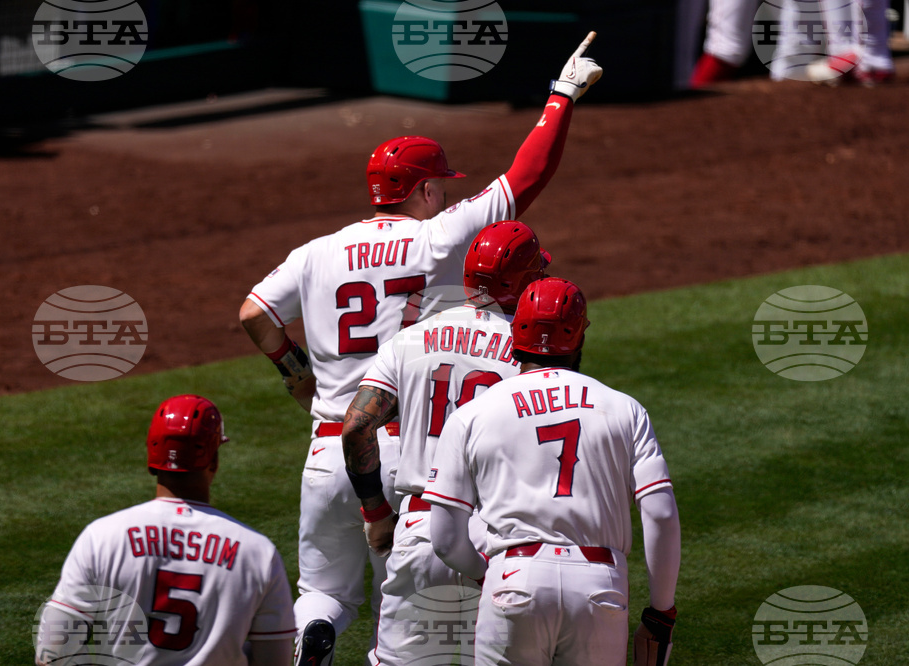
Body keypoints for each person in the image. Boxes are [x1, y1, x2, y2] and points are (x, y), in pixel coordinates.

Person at [238, 33, 602, 665]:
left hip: (330, 447)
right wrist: (562, 95)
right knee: (407, 613)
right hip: (408, 451)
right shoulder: (439, 239)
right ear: (427, 190)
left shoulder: (317, 251)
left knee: (322, 591)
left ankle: (314, 635)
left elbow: (254, 314)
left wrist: (296, 377)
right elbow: (527, 176)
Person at [425, 278, 681, 666]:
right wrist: (661, 613)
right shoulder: (624, 408)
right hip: (601, 589)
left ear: (514, 338)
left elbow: (444, 538)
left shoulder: (472, 414)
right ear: (579, 337)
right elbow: (660, 513)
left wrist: (487, 574)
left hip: (514, 580)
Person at [342, 221, 551, 665]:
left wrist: (376, 512)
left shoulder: (410, 339)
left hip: (421, 530)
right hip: (499, 541)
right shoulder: (529, 351)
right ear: (525, 282)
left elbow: (356, 426)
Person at [34, 395, 296, 666]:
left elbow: (52, 653)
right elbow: (274, 660)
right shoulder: (258, 552)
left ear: (152, 456)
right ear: (214, 461)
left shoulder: (101, 537)